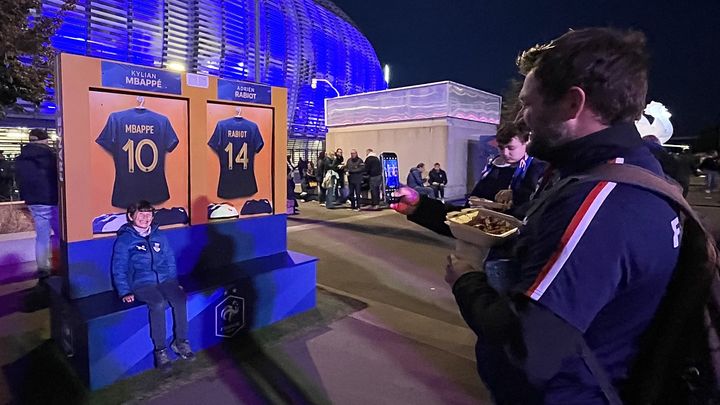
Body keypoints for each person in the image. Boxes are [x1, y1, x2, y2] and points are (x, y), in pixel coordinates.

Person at [396, 28, 681, 403]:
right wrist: (425, 208)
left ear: (572, 105)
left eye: (529, 103)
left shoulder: (600, 203)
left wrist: (466, 279)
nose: (523, 117)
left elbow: (529, 349)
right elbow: (521, 235)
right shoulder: (617, 172)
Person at [112, 201, 195, 370]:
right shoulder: (125, 240)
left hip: (165, 280)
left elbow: (170, 260)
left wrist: (175, 283)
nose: (145, 218)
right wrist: (124, 291)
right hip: (142, 284)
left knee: (180, 299)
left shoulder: (158, 235)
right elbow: (119, 267)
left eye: (148, 214)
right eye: (141, 214)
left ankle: (180, 342)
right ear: (131, 216)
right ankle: (160, 350)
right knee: (157, 303)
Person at [15, 129, 59, 278]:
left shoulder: (21, 157)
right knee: (61, 234)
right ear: (44, 140)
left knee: (42, 235)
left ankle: (43, 268)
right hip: (50, 199)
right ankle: (62, 263)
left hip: (33, 201)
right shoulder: (49, 156)